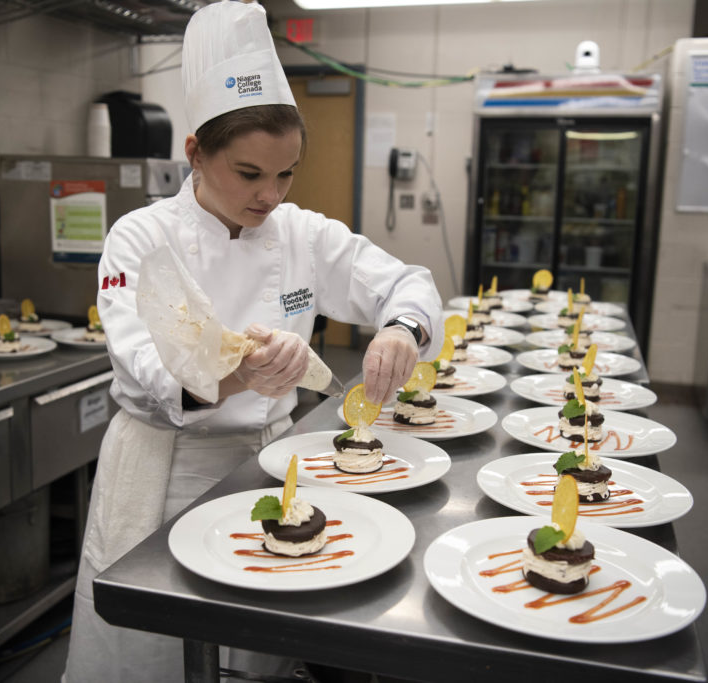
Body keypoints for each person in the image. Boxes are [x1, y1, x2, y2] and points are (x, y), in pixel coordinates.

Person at [63, 2, 443, 681]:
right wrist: (243, 370)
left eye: (286, 173)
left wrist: (400, 330)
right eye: (249, 174)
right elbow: (147, 366)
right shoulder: (141, 238)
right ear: (195, 154)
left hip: (266, 465)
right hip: (161, 472)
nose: (271, 195)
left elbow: (408, 283)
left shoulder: (301, 233)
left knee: (257, 651)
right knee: (154, 655)